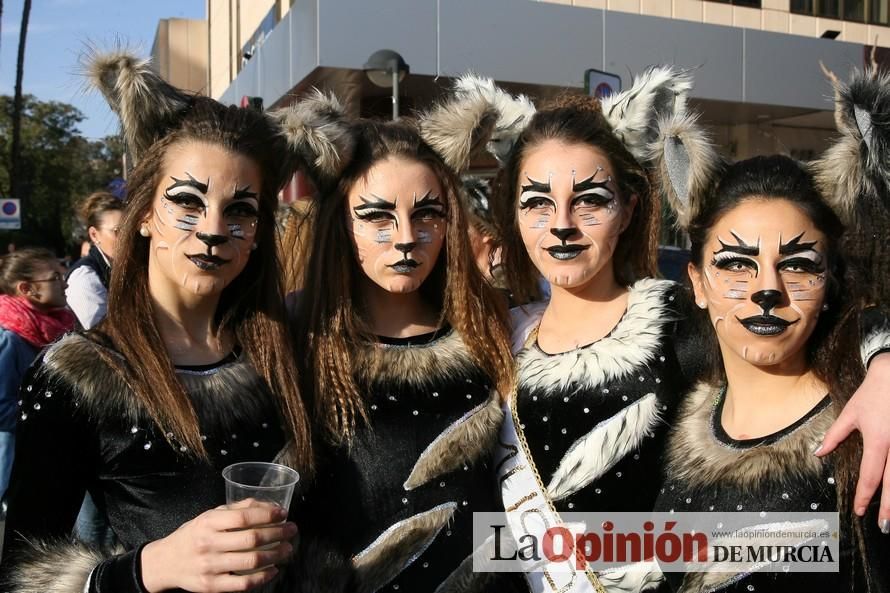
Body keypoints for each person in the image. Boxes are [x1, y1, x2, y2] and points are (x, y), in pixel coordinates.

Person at [421, 70, 890, 592]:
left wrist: (884, 364)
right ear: (512, 212)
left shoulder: (675, 320)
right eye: (537, 203)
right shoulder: (491, 341)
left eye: (590, 200)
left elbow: (816, 319)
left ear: (629, 210)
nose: (561, 225)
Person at [0, 50, 313, 593]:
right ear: (144, 215)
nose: (213, 230)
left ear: (260, 231)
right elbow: (22, 575)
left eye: (240, 210)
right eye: (187, 202)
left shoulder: (287, 351)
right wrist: (151, 569)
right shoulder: (77, 375)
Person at [276, 92, 518, 591]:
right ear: (339, 224)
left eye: (427, 213)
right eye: (377, 216)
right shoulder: (291, 337)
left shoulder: (490, 329)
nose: (406, 236)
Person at [656, 155, 890, 591]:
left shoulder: (868, 427)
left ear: (829, 284)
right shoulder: (676, 404)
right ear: (699, 284)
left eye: (798, 265)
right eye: (736, 264)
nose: (768, 289)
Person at [0, 249, 74, 507]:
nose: (65, 283)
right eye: (55, 277)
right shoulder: (10, 337)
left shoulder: (59, 323)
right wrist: (45, 420)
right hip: (18, 464)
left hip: (49, 453)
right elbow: (1, 407)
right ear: (27, 289)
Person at [66, 191, 124, 329]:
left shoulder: (129, 267)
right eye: (117, 231)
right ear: (94, 235)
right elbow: (101, 334)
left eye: (130, 230)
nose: (127, 238)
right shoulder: (84, 278)